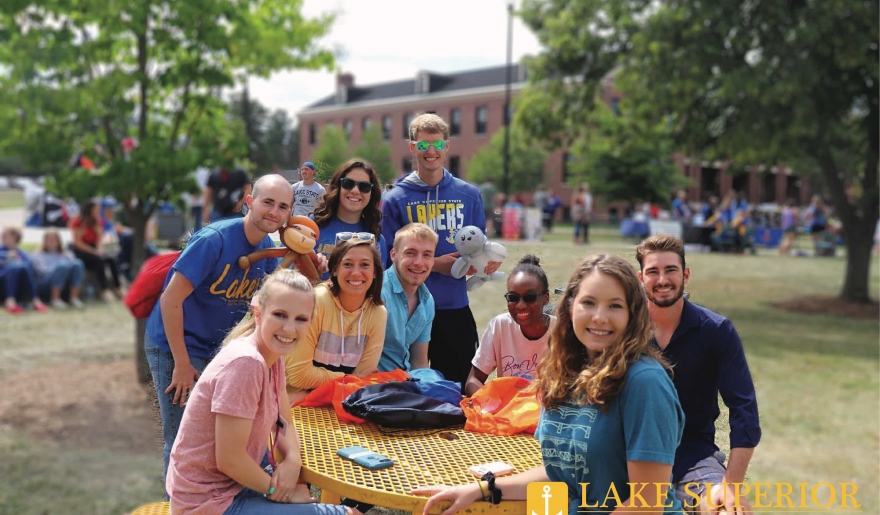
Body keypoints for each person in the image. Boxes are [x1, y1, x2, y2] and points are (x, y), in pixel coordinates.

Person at [413, 254, 685, 515]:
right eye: (588, 303)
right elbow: (558, 474)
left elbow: (647, 503)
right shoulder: (562, 372)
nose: (599, 317)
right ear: (570, 307)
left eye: (615, 305)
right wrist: (481, 488)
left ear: (633, 314)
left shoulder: (644, 383)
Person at [166, 268, 356, 515]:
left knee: (308, 496)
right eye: (280, 315)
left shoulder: (272, 357)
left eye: (301, 319)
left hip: (234, 487)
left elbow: (284, 420)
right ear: (258, 314)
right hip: (208, 503)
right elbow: (230, 460)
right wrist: (280, 492)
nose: (289, 329)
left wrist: (292, 459)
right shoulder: (246, 363)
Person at [145, 174, 293, 483]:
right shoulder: (214, 240)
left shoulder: (266, 246)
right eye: (267, 202)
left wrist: (300, 262)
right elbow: (170, 299)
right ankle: (180, 503)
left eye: (282, 207)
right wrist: (182, 364)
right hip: (178, 343)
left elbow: (264, 300)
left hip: (218, 349)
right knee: (183, 439)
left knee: (217, 437)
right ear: (249, 202)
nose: (274, 212)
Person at [635, 234, 761, 515]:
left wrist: (731, 485)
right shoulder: (625, 332)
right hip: (631, 457)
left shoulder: (716, 331)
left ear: (685, 275)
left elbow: (744, 410)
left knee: (732, 512)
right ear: (640, 277)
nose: (662, 279)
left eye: (671, 270)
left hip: (693, 456)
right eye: (653, 271)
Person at [381, 113, 500, 387]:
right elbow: (388, 256)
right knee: (402, 388)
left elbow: (477, 248)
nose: (430, 152)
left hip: (453, 307)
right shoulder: (396, 198)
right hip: (407, 310)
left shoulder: (469, 194)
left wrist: (485, 264)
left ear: (447, 146)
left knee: (457, 389)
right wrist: (435, 263)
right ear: (412, 147)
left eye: (436, 144)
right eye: (423, 145)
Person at [284, 237, 387, 403]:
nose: (356, 272)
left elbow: (363, 381)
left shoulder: (378, 313)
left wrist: (353, 381)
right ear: (334, 270)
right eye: (347, 264)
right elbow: (299, 376)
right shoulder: (317, 301)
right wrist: (350, 378)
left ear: (375, 272)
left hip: (338, 402)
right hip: (294, 401)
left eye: (365, 265)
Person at [464, 255, 554, 396]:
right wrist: (489, 405)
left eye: (530, 298)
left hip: (545, 414)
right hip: (509, 413)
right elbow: (474, 380)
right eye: (513, 298)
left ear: (546, 298)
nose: (521, 305)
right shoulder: (500, 326)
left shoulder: (561, 331)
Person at [312, 159, 388, 281]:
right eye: (348, 183)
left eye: (364, 187)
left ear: (371, 193)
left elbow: (376, 287)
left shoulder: (376, 239)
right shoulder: (313, 226)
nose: (355, 191)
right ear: (338, 186)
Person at [377, 223, 437, 373]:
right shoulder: (376, 292)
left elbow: (419, 362)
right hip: (372, 385)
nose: (418, 262)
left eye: (427, 255)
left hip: (405, 383)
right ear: (393, 255)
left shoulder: (427, 300)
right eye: (410, 253)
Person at [70, 199, 122, 302]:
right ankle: (104, 290)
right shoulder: (78, 222)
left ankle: (118, 288)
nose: (98, 212)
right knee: (99, 261)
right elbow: (78, 243)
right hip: (82, 249)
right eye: (96, 210)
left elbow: (99, 239)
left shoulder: (98, 222)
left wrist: (99, 250)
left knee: (111, 259)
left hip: (94, 247)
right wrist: (94, 252)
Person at [31, 230, 86, 309]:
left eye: (54, 239)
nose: (52, 242)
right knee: (62, 266)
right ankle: (55, 299)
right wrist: (59, 269)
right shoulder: (38, 254)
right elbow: (41, 271)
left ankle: (73, 298)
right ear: (45, 241)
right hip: (46, 283)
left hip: (65, 282)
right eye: (49, 239)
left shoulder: (67, 254)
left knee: (77, 263)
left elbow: (73, 269)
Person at [1, 227, 49, 314]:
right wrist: (7, 256)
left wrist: (17, 259)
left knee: (22, 266)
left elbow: (29, 267)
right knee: (14, 266)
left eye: (5, 235)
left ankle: (35, 300)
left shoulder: (23, 254)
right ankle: (11, 301)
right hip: (2, 282)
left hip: (19, 285)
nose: (2, 237)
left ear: (14, 238)